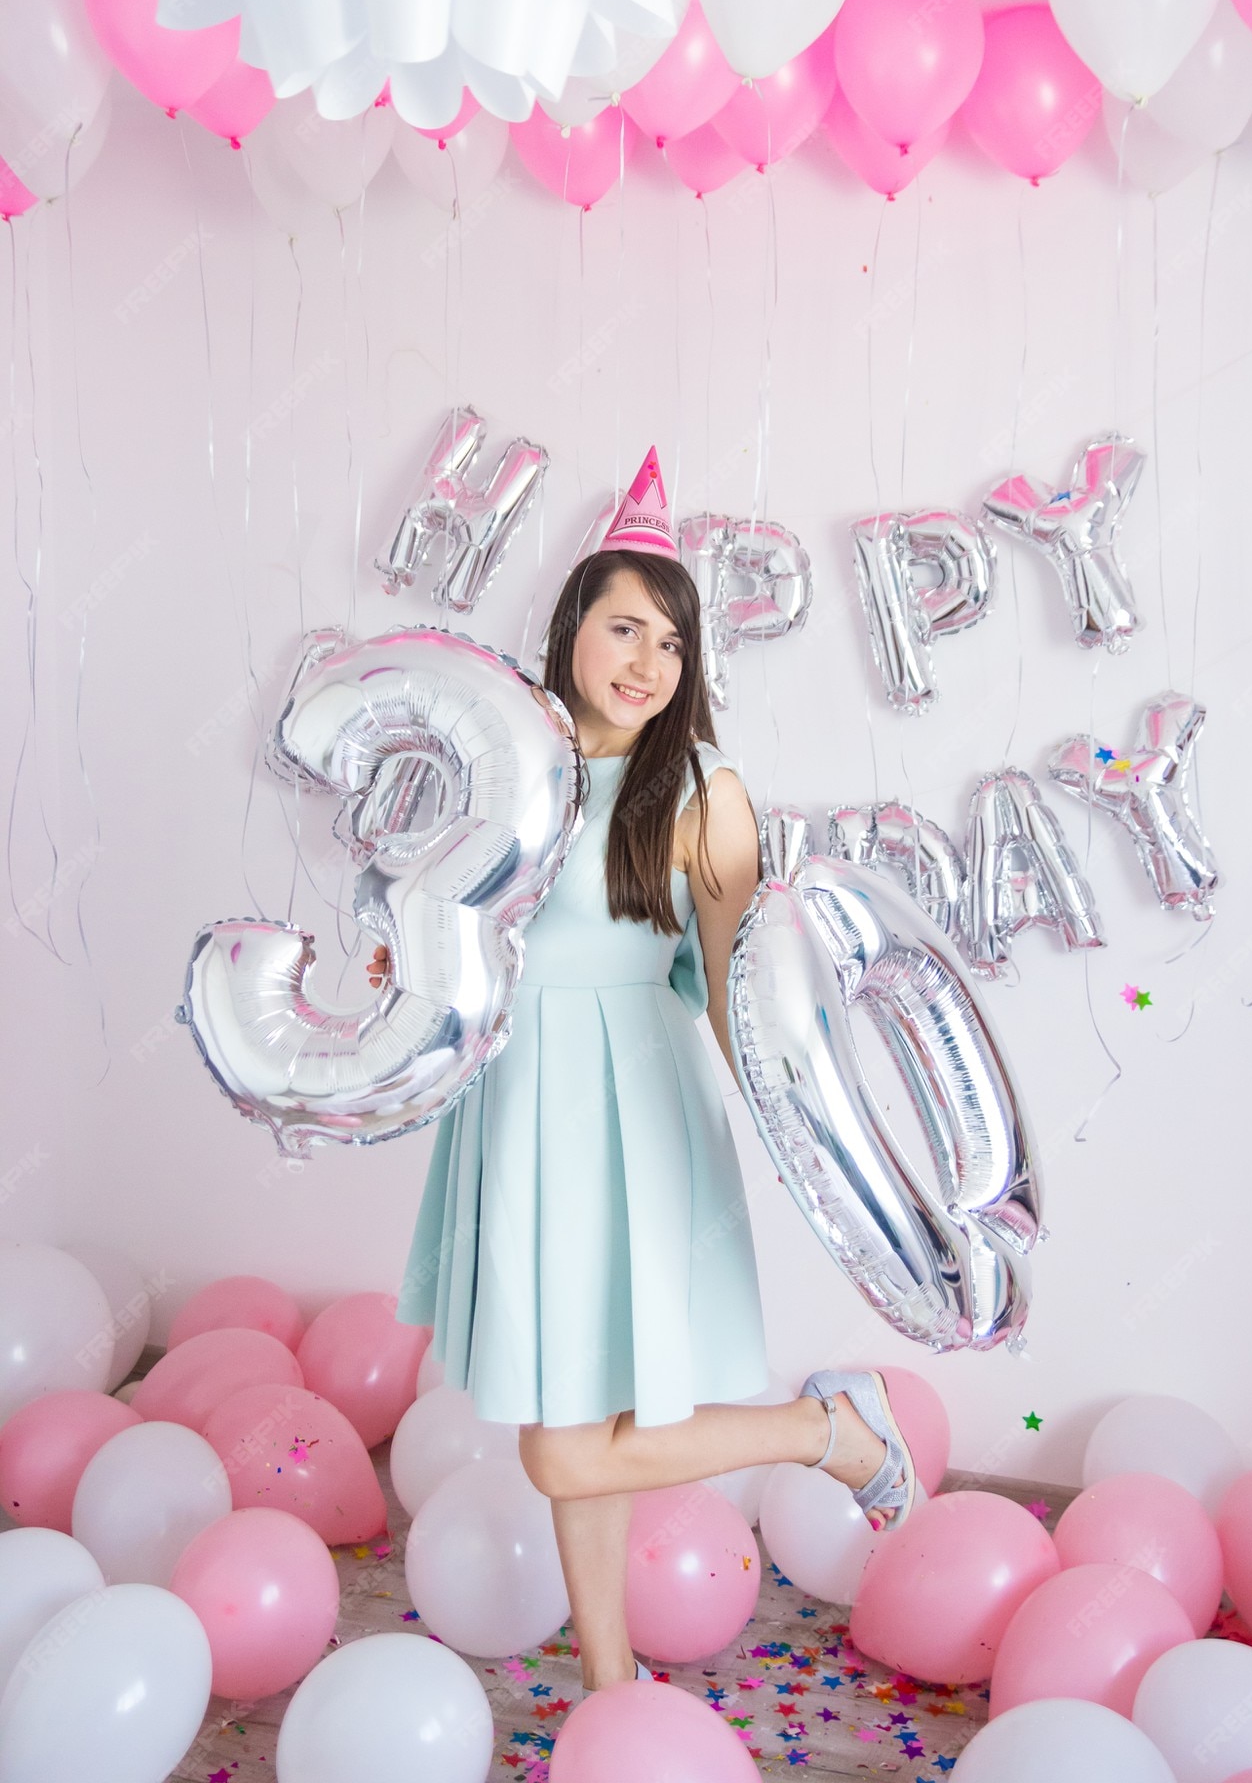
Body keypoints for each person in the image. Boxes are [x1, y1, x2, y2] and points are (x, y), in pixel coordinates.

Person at [385, 448, 916, 1694]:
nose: (646, 661)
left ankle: (824, 1429)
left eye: (671, 643)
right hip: (517, 1101)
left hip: (629, 1105)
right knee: (575, 1411)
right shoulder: (510, 766)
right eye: (626, 626)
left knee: (568, 1449)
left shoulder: (700, 786)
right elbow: (461, 923)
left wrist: (806, 1151)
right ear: (572, 624)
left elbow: (731, 990)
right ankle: (614, 1687)